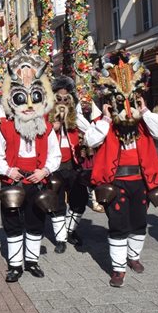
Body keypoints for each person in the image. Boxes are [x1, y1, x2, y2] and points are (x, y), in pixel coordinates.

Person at [85, 50, 158, 287]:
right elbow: (91, 140)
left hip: (141, 181)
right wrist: (107, 119)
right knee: (118, 224)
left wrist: (146, 112)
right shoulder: (105, 124)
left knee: (139, 221)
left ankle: (134, 257)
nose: (125, 108)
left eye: (128, 102)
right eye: (120, 102)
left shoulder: (144, 123)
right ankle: (118, 269)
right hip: (116, 182)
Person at [0, 51, 61, 283]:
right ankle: (15, 265)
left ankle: (31, 261)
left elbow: (55, 155)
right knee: (12, 224)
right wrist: (9, 171)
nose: (29, 106)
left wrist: (45, 171)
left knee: (35, 222)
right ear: (13, 101)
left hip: (37, 181)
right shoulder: (6, 128)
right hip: (13, 183)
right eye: (23, 99)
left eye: (35, 99)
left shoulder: (47, 128)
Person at [47, 76, 89, 252]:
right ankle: (61, 239)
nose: (63, 101)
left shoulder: (75, 116)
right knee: (57, 203)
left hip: (73, 165)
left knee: (80, 200)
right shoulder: (46, 116)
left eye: (66, 98)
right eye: (59, 98)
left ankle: (70, 230)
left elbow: (89, 130)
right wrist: (53, 126)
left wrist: (73, 117)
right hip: (54, 166)